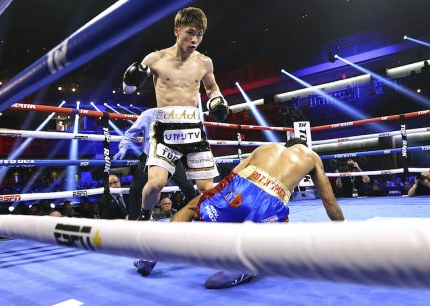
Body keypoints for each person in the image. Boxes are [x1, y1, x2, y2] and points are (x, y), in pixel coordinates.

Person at [136, 138, 345, 288]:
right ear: (302, 148)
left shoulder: (266, 148)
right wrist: (345, 233)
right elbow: (329, 201)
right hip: (271, 201)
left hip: (240, 187)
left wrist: (219, 204)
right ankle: (246, 265)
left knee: (192, 206)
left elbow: (233, 175)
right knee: (278, 241)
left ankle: (153, 254)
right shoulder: (311, 156)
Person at [122, 7, 228, 221]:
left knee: (207, 186)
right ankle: (145, 215)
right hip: (165, 128)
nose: (195, 39)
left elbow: (211, 88)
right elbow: (128, 90)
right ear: (176, 30)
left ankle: (212, 223)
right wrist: (130, 80)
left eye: (199, 34)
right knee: (155, 184)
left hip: (193, 128)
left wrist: (217, 100)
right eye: (190, 32)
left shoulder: (205, 62)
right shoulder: (155, 59)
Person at [113, 108, 197, 219]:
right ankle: (135, 221)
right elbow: (131, 132)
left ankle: (189, 216)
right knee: (135, 190)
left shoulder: (178, 114)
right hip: (149, 156)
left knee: (189, 188)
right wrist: (123, 149)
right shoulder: (149, 114)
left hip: (172, 156)